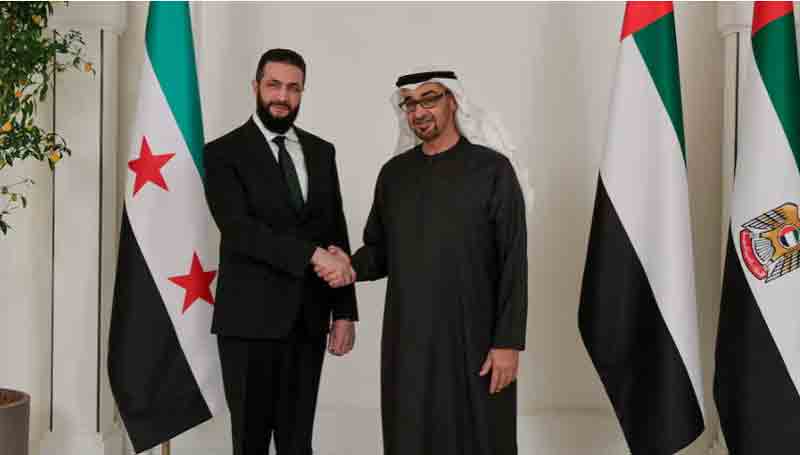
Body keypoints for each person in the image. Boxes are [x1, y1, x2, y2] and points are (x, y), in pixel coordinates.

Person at [317, 69, 530, 455]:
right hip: (409, 339)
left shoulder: (493, 170)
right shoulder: (395, 175)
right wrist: (347, 265)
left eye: (429, 99)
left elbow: (513, 261)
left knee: (483, 437)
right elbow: (379, 251)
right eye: (410, 103)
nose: (418, 111)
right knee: (412, 434)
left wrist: (508, 343)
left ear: (454, 102)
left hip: (478, 339)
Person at [204, 48, 357, 455]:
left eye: (293, 88)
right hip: (248, 325)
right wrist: (312, 255)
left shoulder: (322, 152)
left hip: (308, 322)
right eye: (274, 85)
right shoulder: (222, 153)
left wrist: (344, 311)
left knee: (297, 444)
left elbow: (335, 233)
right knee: (250, 444)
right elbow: (240, 232)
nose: (282, 96)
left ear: (302, 92)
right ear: (256, 87)